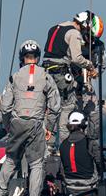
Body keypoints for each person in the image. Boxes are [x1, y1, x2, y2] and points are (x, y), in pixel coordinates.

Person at [0, 40, 61, 196]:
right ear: (37, 58)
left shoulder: (14, 77)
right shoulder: (46, 76)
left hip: (17, 122)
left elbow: (5, 106)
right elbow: (55, 107)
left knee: (11, 159)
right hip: (36, 123)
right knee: (37, 164)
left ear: (22, 58)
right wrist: (50, 129)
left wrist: (8, 125)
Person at [42, 11, 98, 149]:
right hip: (61, 75)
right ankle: (65, 149)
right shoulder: (74, 33)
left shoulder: (54, 28)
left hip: (46, 74)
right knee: (67, 108)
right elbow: (76, 58)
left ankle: (48, 148)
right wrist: (90, 66)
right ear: (85, 25)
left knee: (50, 109)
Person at [59, 111, 102, 196]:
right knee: (103, 182)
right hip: (88, 184)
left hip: (69, 184)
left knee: (75, 192)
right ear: (84, 124)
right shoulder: (90, 142)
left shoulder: (63, 144)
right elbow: (101, 164)